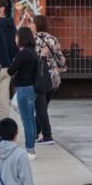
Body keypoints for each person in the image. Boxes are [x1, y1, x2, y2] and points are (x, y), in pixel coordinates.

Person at [32, 15, 67, 145]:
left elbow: (32, 58)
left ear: (36, 25)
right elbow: (61, 58)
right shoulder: (53, 39)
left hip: (40, 77)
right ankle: (36, 133)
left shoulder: (32, 39)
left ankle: (47, 135)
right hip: (54, 78)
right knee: (43, 106)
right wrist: (60, 69)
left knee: (40, 107)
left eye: (32, 23)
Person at [8, 26, 39, 156]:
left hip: (24, 88)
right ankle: (31, 148)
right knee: (31, 119)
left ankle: (29, 149)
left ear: (21, 38)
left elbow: (11, 70)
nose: (15, 39)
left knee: (26, 120)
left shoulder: (23, 53)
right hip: (31, 88)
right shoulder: (32, 52)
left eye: (17, 36)